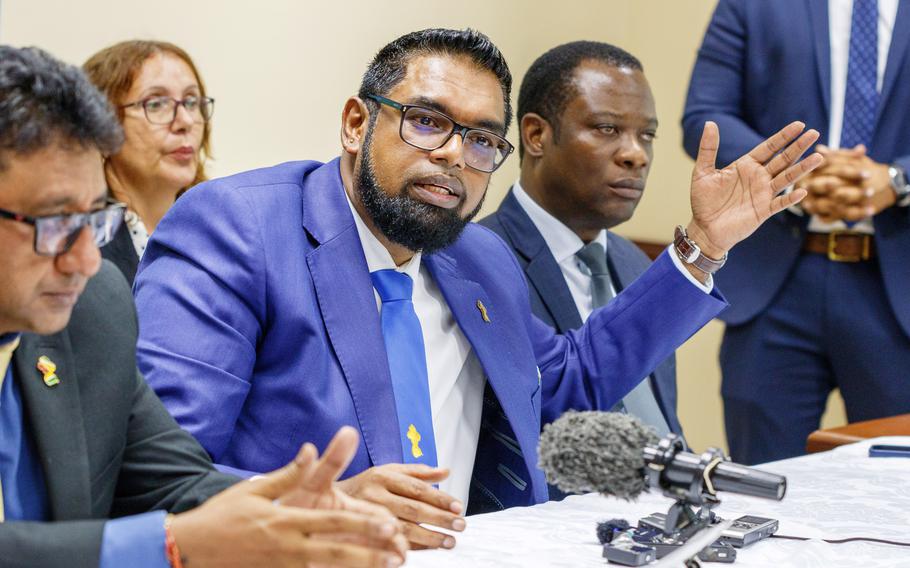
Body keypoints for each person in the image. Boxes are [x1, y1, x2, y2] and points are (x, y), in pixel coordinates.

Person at [134, 28, 819, 549]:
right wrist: (320, 507)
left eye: (483, 141)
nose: (454, 156)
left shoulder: (476, 254)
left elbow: (565, 385)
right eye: (427, 122)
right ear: (355, 123)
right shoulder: (239, 227)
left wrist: (701, 247)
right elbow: (161, 469)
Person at [0, 45, 407, 568]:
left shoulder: (94, 309)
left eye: (91, 219)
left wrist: (296, 511)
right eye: (55, 222)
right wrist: (171, 543)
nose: (84, 259)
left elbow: (172, 478)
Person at [682, 0, 910, 465]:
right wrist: (795, 174)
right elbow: (705, 115)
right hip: (777, 284)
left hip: (898, 293)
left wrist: (896, 180)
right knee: (763, 488)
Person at [480, 41, 683, 442]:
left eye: (647, 135)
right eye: (607, 128)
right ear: (536, 135)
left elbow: (661, 425)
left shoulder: (638, 265)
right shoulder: (481, 259)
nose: (635, 154)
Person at [83, 41, 214, 284]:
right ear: (102, 125)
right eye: (155, 103)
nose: (185, 121)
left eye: (191, 101)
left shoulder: (219, 228)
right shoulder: (78, 241)